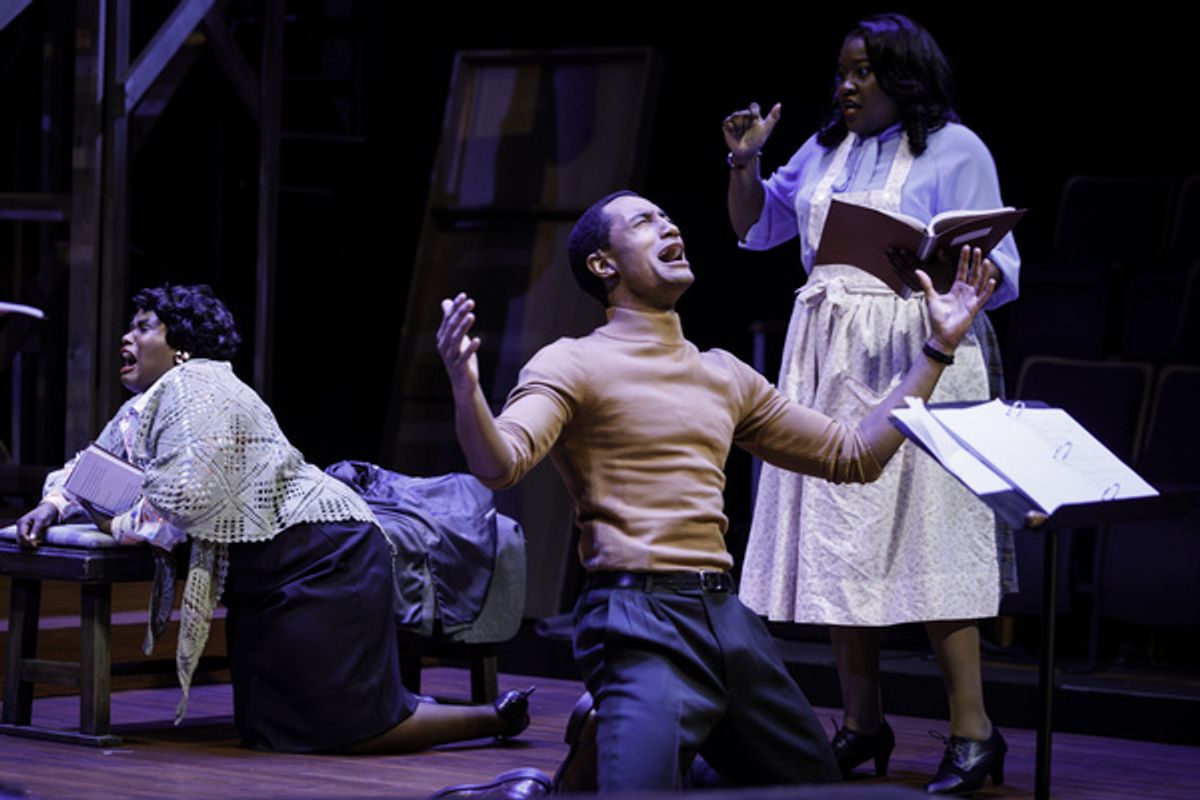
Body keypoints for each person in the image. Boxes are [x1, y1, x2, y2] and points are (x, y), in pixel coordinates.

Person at [436, 190, 995, 792]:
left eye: (669, 215)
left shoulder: (724, 374)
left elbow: (854, 455)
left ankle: (628, 741)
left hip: (728, 621)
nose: (669, 224)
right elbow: (501, 465)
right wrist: (467, 390)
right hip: (638, 619)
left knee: (818, 788)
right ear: (604, 265)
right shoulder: (571, 363)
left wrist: (937, 349)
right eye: (646, 221)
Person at [15, 284, 531, 754]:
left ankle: (492, 720)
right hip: (274, 571)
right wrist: (54, 505)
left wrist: (113, 522)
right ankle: (463, 713)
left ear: (180, 345)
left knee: (346, 728)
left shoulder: (197, 386)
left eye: (144, 325)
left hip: (325, 556)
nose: (126, 336)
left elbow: (185, 499)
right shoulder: (149, 406)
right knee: (275, 728)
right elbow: (94, 469)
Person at [722, 12, 1018, 794]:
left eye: (863, 72)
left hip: (920, 348)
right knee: (836, 534)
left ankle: (973, 730)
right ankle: (861, 722)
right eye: (842, 72)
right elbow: (754, 228)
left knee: (933, 537)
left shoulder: (957, 148)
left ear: (902, 76)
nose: (845, 86)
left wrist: (951, 275)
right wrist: (743, 164)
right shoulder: (825, 149)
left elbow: (1004, 265)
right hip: (827, 354)